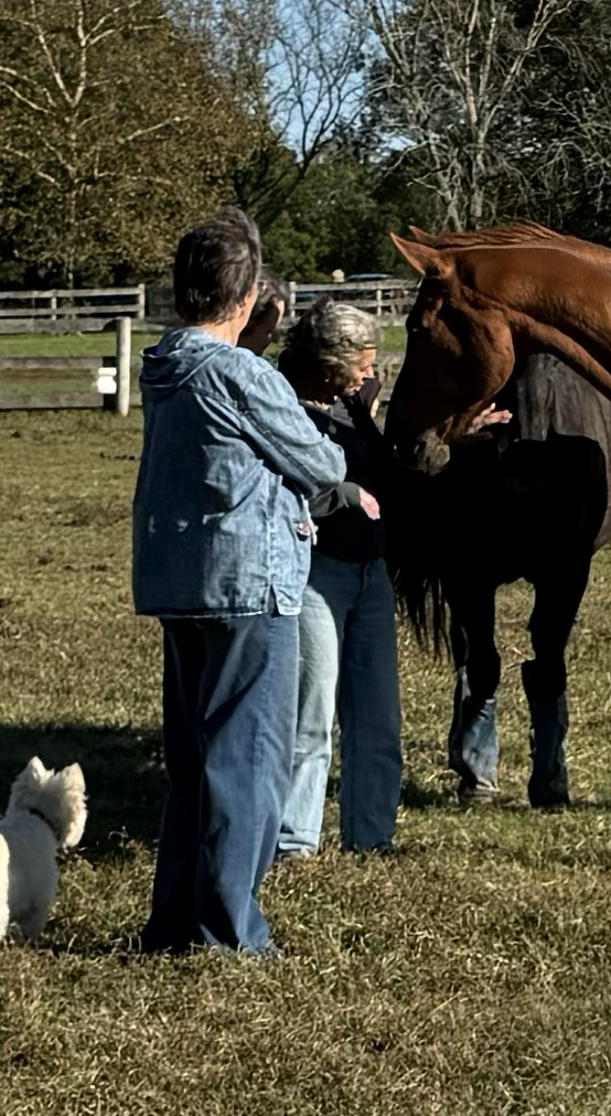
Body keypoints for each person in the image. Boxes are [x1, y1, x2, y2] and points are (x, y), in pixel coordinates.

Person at [129, 208, 346, 955]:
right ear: (249, 293)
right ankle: (228, 932)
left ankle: (174, 921)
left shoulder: (164, 363)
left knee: (193, 762)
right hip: (250, 581)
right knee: (249, 759)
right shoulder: (240, 372)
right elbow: (322, 463)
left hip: (180, 577)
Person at [273, 299, 402, 858]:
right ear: (330, 363)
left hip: (371, 570)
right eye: (364, 364)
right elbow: (284, 485)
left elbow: (384, 472)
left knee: (378, 717)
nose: (371, 374)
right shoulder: (282, 406)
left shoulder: (352, 405)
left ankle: (371, 837)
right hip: (316, 570)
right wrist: (338, 496)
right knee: (311, 715)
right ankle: (295, 841)